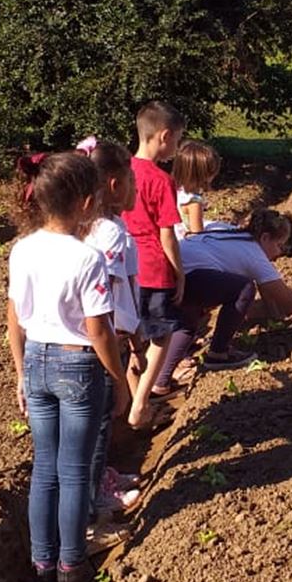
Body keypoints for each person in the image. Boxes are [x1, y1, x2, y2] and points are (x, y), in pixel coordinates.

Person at [5, 151, 129, 582]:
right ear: (85, 202)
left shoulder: (23, 249)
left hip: (35, 360)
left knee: (44, 470)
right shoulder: (87, 257)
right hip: (77, 366)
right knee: (74, 473)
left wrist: (21, 373)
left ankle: (41, 571)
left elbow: (14, 319)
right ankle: (72, 572)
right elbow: (99, 330)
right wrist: (119, 380)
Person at [150, 209, 292, 392]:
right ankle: (218, 353)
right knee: (244, 288)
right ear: (265, 238)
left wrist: (274, 314)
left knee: (187, 324)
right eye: (280, 247)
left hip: (166, 271)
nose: (277, 257)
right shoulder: (254, 254)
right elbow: (290, 300)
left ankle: (160, 383)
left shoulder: (230, 232)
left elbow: (271, 294)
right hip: (186, 276)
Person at [76, 138, 142, 533]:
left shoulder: (94, 226)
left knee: (98, 420)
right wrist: (126, 338)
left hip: (94, 334)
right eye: (132, 179)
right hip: (104, 336)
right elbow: (113, 294)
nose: (137, 187)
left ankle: (103, 476)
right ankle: (97, 490)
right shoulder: (110, 234)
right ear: (114, 184)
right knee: (100, 419)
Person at [122, 102, 186, 434]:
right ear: (164, 136)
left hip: (124, 270)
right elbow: (167, 234)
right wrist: (179, 272)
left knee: (133, 338)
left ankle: (138, 401)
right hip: (153, 268)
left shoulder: (118, 174)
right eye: (177, 140)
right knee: (161, 337)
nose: (177, 147)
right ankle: (141, 402)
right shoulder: (161, 180)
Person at [171, 139, 232, 238]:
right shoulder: (193, 202)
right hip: (188, 245)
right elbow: (197, 234)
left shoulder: (175, 190)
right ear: (203, 175)